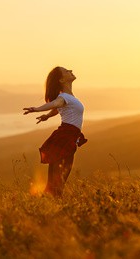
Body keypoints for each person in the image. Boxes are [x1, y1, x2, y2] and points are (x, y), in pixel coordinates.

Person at [23, 66, 87, 197]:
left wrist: (47, 116)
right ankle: (52, 203)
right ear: (62, 80)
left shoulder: (69, 97)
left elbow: (58, 109)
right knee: (60, 176)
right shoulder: (63, 97)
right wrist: (37, 109)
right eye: (66, 71)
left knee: (58, 177)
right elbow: (56, 104)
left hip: (67, 137)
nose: (70, 70)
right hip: (65, 137)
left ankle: (50, 202)